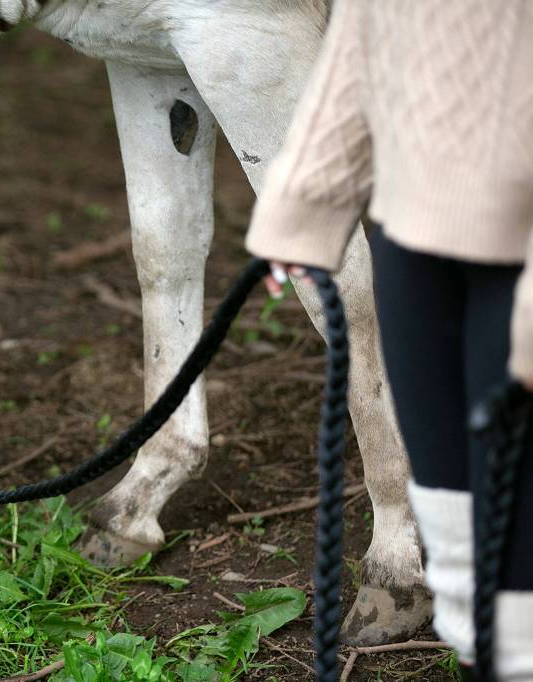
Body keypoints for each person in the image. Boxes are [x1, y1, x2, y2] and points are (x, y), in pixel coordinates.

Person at [243, 1, 533, 679]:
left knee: (516, 506)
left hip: (518, 258)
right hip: (414, 233)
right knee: (448, 498)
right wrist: (305, 202)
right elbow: (363, 40)